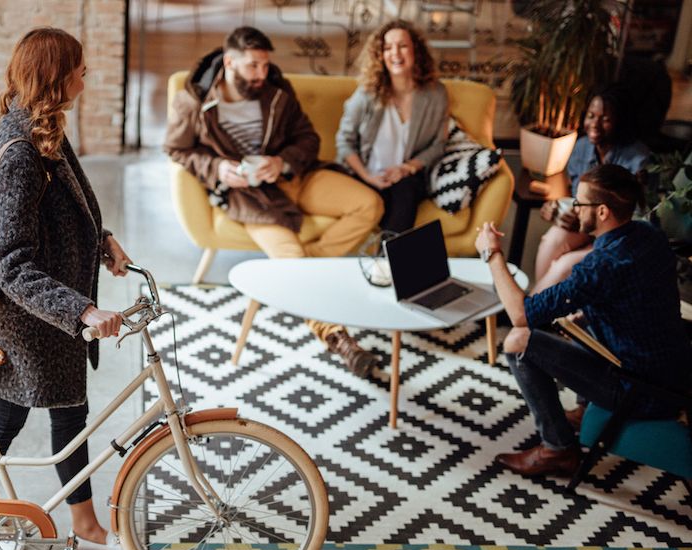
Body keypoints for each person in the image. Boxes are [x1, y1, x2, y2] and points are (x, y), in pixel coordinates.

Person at [0, 28, 129, 550]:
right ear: (57, 79)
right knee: (8, 418)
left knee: (68, 413)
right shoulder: (22, 154)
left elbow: (57, 216)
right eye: (79, 67)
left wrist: (100, 241)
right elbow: (11, 264)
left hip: (47, 320)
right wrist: (82, 308)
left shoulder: (47, 130)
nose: (87, 75)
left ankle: (84, 524)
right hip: (26, 322)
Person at [164, 26, 384, 377]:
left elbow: (307, 138)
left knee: (369, 204)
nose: (261, 74)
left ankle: (299, 272)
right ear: (230, 61)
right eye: (252, 66)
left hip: (294, 177)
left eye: (265, 66)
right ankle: (340, 340)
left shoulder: (277, 90)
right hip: (250, 196)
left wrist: (281, 162)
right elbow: (176, 149)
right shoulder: (194, 98)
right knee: (291, 257)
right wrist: (217, 167)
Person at [475, 164, 691, 476]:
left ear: (602, 212)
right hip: (674, 372)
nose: (575, 208)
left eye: (580, 202)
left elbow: (521, 315)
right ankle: (583, 409)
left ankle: (557, 448)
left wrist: (493, 254)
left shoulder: (605, 266)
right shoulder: (649, 235)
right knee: (580, 320)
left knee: (517, 341)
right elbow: (634, 300)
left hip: (640, 391)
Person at [532, 84, 651, 294]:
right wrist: (557, 207)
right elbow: (574, 196)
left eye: (605, 119)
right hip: (589, 227)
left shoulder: (638, 160)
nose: (594, 124)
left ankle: (532, 312)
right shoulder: (581, 147)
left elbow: (640, 219)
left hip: (619, 237)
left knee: (564, 266)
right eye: (590, 115)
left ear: (621, 121)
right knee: (551, 241)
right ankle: (543, 313)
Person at [336, 19, 448, 233]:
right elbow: (344, 142)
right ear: (380, 55)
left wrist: (406, 169)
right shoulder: (366, 94)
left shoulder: (436, 94)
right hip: (366, 176)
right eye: (387, 48)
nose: (395, 53)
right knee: (378, 201)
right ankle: (389, 260)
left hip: (407, 177)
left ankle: (385, 262)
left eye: (403, 46)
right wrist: (368, 176)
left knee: (405, 191)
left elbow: (439, 145)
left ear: (416, 50)